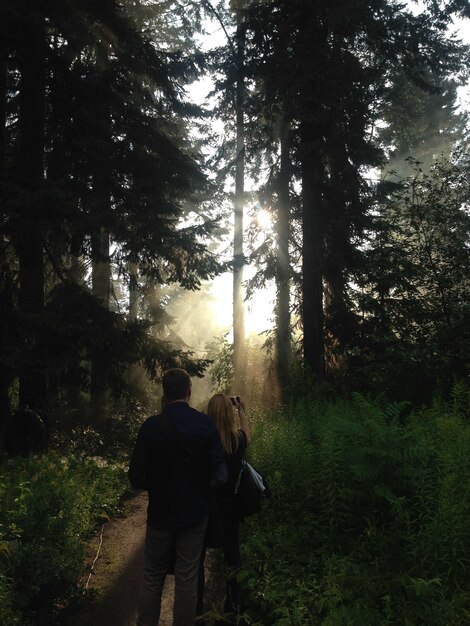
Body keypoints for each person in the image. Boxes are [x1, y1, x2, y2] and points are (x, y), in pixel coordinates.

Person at [128, 368, 227, 626]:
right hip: (194, 516)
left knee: (152, 575)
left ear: (165, 393)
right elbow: (221, 474)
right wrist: (203, 490)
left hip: (160, 514)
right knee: (187, 577)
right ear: (189, 392)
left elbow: (136, 477)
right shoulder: (205, 425)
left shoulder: (150, 427)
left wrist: (159, 485)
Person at [197, 393, 251, 620]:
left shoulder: (202, 440)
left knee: (197, 558)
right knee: (233, 555)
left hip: (205, 506)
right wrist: (241, 409)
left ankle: (197, 608)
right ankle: (234, 604)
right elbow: (248, 433)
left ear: (210, 412)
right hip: (230, 507)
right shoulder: (236, 440)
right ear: (229, 413)